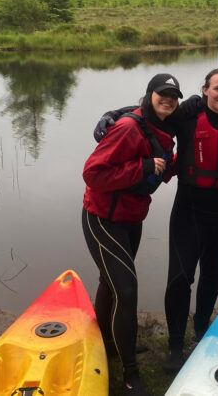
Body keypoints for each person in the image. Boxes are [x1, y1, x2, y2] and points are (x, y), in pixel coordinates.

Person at [82, 73, 182, 396]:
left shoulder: (165, 130)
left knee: (109, 284)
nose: (168, 100)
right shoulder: (128, 128)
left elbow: (161, 170)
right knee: (126, 290)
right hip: (102, 218)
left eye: (173, 96)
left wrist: (190, 164)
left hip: (131, 219)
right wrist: (141, 167)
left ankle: (107, 344)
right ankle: (129, 374)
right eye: (162, 94)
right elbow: (93, 173)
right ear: (150, 95)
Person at [163, 68, 218, 372]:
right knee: (180, 277)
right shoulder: (187, 118)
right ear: (205, 90)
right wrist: (116, 114)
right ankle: (175, 345)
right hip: (189, 208)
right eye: (217, 89)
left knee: (212, 272)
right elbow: (152, 114)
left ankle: (201, 332)